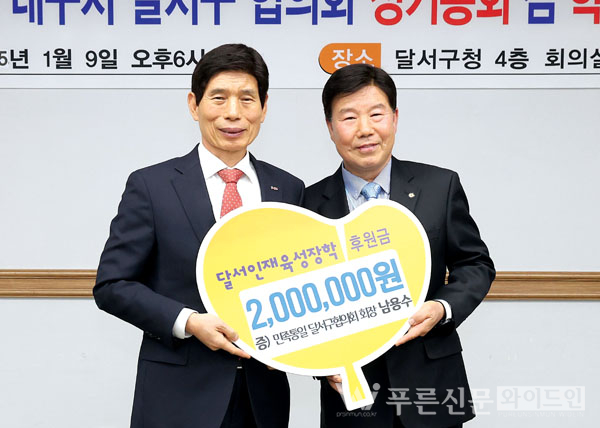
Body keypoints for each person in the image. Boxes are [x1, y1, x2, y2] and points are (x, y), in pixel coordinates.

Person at [94, 44, 304, 428]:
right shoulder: (152, 186)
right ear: (194, 105)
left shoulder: (288, 189)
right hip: (177, 395)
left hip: (262, 396)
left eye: (247, 99)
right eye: (219, 98)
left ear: (264, 108)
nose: (233, 112)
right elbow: (112, 285)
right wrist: (189, 321)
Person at [303, 64, 495, 428]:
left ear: (394, 118)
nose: (365, 129)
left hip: (431, 384)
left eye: (376, 114)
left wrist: (441, 308)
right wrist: (321, 363)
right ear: (330, 127)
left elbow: (475, 264)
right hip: (353, 395)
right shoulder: (308, 205)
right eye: (349, 117)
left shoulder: (439, 186)